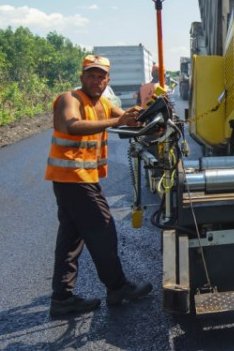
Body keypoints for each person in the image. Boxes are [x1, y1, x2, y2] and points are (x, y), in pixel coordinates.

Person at [45, 55, 153, 316]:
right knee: (103, 229)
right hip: (74, 180)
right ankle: (117, 287)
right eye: (90, 75)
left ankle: (62, 298)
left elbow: (130, 119)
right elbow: (72, 125)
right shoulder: (69, 99)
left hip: (78, 180)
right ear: (82, 78)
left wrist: (148, 115)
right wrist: (119, 121)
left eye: (101, 76)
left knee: (70, 239)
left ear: (108, 80)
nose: (96, 80)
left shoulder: (102, 103)